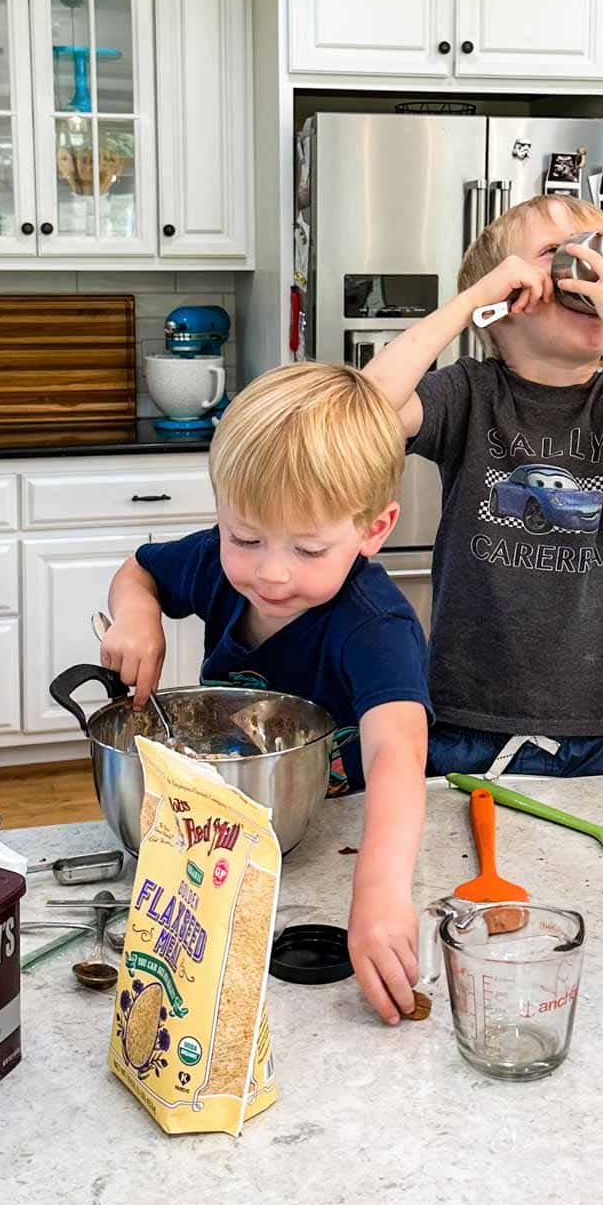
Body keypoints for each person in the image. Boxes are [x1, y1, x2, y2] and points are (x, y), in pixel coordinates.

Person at [102, 362, 432, 1024]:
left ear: (374, 529)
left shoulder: (376, 625)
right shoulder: (216, 566)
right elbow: (139, 571)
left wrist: (379, 890)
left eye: (309, 550)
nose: (272, 572)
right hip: (221, 848)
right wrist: (138, 616)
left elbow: (399, 753)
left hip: (322, 844)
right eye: (244, 538)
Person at [363, 194, 603, 779]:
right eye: (558, 255)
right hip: (468, 712)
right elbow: (363, 410)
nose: (591, 269)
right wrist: (466, 304)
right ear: (507, 297)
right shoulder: (468, 394)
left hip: (593, 716)